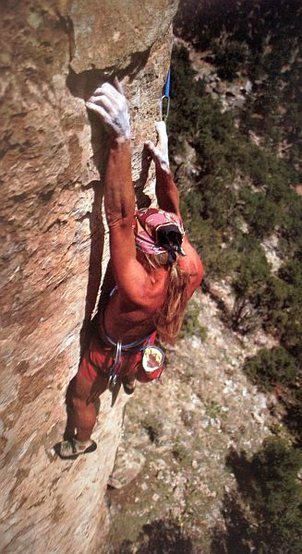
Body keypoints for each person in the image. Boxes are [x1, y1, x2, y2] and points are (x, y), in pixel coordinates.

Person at [59, 78, 203, 459]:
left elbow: (121, 216)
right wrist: (165, 169)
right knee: (133, 358)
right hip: (142, 340)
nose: (147, 213)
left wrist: (121, 138)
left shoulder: (138, 286)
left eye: (147, 221)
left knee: (81, 396)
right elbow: (172, 214)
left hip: (108, 346)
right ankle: (131, 379)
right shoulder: (188, 263)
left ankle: (80, 441)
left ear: (149, 250)